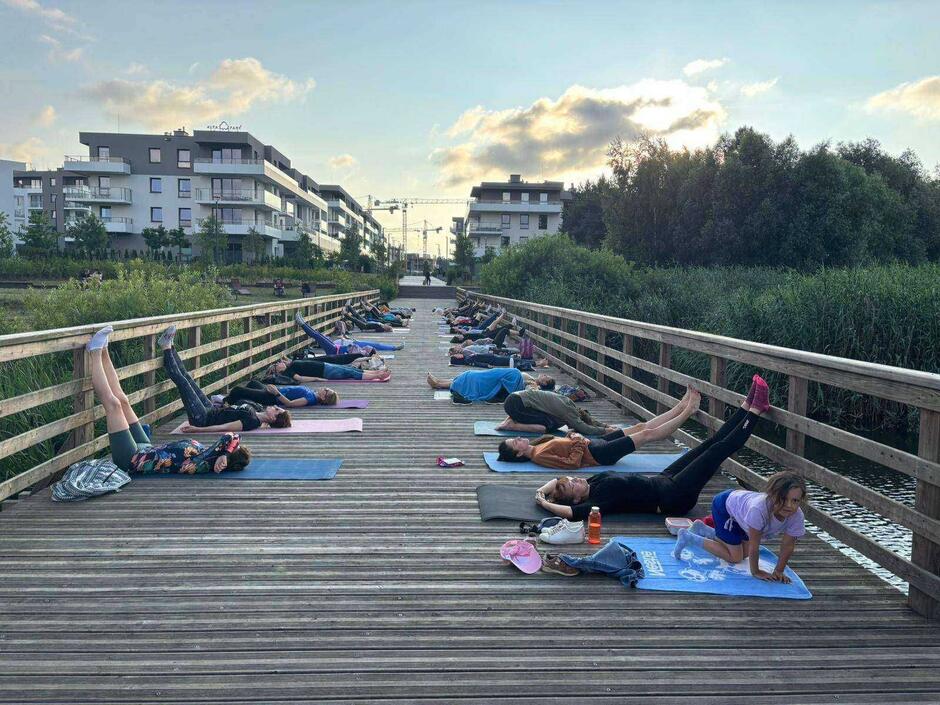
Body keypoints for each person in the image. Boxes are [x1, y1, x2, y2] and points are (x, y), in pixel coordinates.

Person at [528, 377, 771, 524]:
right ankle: (756, 411)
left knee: (708, 444)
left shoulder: (592, 483)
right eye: (573, 485)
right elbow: (570, 513)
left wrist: (542, 492)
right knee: (719, 450)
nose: (576, 479)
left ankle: (745, 406)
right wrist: (546, 504)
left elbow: (553, 482)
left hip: (663, 480)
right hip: (673, 497)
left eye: (572, 479)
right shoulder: (596, 502)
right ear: (579, 498)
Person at [85, 326, 251, 475]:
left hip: (132, 460)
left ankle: (95, 352)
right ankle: (104, 350)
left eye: (229, 450)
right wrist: (227, 453)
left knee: (113, 405)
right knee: (123, 400)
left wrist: (224, 455)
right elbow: (234, 438)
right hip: (146, 448)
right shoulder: (205, 452)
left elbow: (230, 436)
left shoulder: (202, 464)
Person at [672, 470, 806, 583]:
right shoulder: (759, 510)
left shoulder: (797, 515)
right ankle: (688, 537)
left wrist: (779, 571)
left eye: (795, 500)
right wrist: (756, 571)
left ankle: (703, 529)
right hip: (725, 507)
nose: (789, 505)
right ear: (772, 496)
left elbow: (788, 545)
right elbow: (755, 544)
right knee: (735, 557)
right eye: (783, 499)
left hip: (742, 514)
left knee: (744, 554)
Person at [158, 325, 291, 432]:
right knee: (188, 379)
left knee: (183, 384)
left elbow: (224, 428)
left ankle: (166, 347)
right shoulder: (257, 410)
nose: (275, 406)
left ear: (273, 418)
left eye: (277, 409)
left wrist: (198, 429)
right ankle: (172, 348)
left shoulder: (251, 421)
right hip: (212, 411)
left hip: (203, 419)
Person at [496, 387, 634, 436]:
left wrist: (605, 425)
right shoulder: (570, 413)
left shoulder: (569, 403)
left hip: (515, 398)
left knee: (549, 421)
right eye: (573, 424)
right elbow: (585, 428)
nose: (570, 427)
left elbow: (588, 420)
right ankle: (511, 424)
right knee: (544, 428)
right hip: (516, 405)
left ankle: (512, 418)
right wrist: (606, 431)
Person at [426, 368, 555, 403]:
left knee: (473, 377)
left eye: (546, 377)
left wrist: (534, 386)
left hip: (505, 379)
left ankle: (439, 384)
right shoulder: (532, 377)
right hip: (502, 374)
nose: (544, 375)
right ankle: (439, 382)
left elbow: (532, 393)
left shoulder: (534, 385)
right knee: (471, 375)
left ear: (544, 383)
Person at [295, 312, 402, 353]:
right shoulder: (333, 343)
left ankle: (302, 323)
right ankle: (302, 322)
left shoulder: (331, 345)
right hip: (343, 346)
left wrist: (344, 339)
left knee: (317, 335)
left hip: (336, 350)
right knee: (317, 335)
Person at [263, 357, 390, 382]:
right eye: (277, 364)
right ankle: (377, 376)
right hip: (325, 372)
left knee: (351, 369)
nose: (280, 363)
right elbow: (300, 378)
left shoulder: (290, 365)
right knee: (351, 373)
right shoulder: (288, 372)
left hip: (325, 366)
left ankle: (377, 372)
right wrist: (317, 379)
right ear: (277, 371)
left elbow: (285, 359)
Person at [224, 380, 338, 408]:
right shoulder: (313, 394)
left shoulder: (310, 398)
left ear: (323, 397)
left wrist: (276, 393)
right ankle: (241, 401)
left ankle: (227, 403)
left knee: (238, 390)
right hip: (274, 392)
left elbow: (290, 404)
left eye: (326, 389)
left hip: (272, 398)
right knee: (254, 383)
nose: (325, 388)